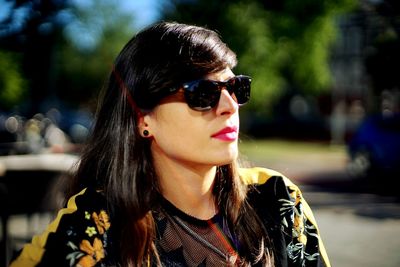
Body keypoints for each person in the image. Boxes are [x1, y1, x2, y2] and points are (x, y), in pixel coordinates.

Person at [10, 22, 331, 267]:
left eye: (236, 87)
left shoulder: (277, 198)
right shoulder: (97, 221)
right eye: (202, 93)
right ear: (143, 119)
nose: (230, 105)